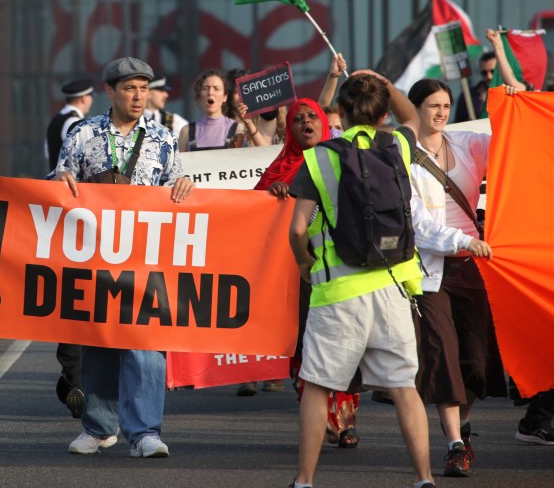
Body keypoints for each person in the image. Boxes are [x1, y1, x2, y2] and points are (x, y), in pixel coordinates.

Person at [287, 70, 436, 488]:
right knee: (405, 388)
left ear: (340, 112)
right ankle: (423, 477)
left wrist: (303, 265)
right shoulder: (397, 146)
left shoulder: (318, 157)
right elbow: (414, 119)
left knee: (317, 387)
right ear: (382, 109)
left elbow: (299, 229)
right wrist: (385, 84)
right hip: (392, 286)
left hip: (337, 292)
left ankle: (304, 480)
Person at [52, 56, 194, 458]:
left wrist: (185, 182)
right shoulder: (83, 133)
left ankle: (145, 432)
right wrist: (59, 180)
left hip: (146, 259)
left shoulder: (164, 138)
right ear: (110, 91)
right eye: (129, 88)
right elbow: (60, 182)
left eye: (143, 88)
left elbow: (175, 185)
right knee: (98, 341)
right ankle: (98, 427)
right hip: (96, 256)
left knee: (145, 343)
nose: (138, 95)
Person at [406, 78, 506, 477]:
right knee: (443, 354)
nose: (442, 113)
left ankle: (462, 425)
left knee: (477, 362)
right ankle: (455, 444)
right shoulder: (404, 156)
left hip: (472, 267)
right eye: (433, 105)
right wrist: (465, 238)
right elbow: (418, 224)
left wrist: (511, 95)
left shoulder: (468, 143)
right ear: (415, 109)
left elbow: (510, 143)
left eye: (446, 105)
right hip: (429, 270)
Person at [254, 98, 359, 442]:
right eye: (299, 119)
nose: (306, 123)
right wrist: (272, 195)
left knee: (342, 340)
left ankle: (343, 420)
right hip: (296, 275)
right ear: (290, 129)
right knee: (303, 345)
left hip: (341, 268)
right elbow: (250, 214)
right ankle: (320, 416)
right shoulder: (278, 169)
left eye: (313, 116)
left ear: (324, 123)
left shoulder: (344, 161)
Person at [45, 76, 94, 419]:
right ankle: (76, 379)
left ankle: (72, 380)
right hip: (79, 215)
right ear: (87, 99)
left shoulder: (55, 121)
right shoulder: (77, 126)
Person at [177, 70, 237, 151]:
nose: (210, 93)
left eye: (216, 89)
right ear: (199, 94)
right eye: (206, 88)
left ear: (225, 97)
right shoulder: (186, 131)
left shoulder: (238, 129)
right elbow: (180, 162)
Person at [45, 78, 94, 171]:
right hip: (70, 182)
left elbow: (48, 153)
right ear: (84, 99)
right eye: (91, 96)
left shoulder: (57, 119)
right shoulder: (73, 122)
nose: (92, 100)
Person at [453, 51, 496, 123]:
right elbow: (458, 126)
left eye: (493, 71)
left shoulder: (510, 93)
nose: (489, 76)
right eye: (484, 73)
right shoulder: (467, 97)